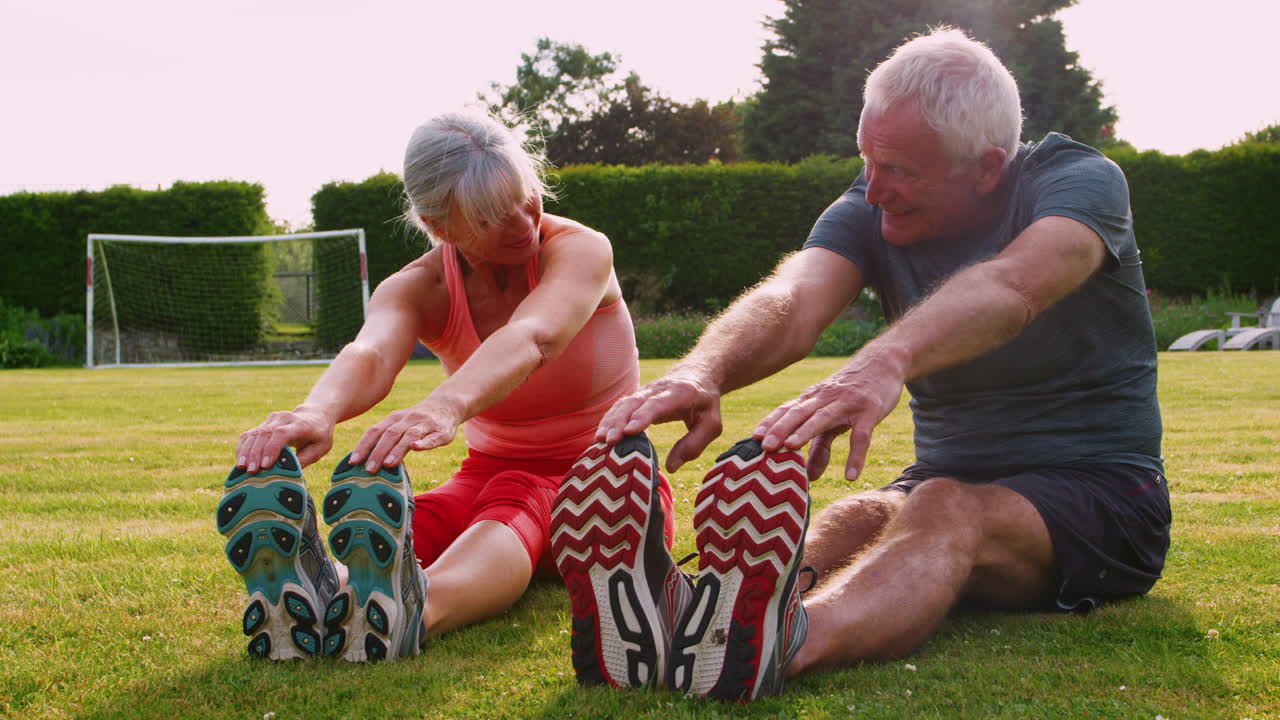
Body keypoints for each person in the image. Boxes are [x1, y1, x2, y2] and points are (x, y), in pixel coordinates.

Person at [554, 27, 1169, 701]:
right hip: (944, 477)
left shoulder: (1080, 184)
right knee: (859, 516)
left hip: (1106, 501)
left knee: (942, 506)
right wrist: (705, 370)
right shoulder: (874, 195)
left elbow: (1013, 286)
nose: (874, 190)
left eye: (901, 171)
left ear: (987, 167)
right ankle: (696, 616)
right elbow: (793, 296)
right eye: (867, 162)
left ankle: (779, 643)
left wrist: (885, 359)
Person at [216, 109, 674, 662]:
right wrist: (318, 411)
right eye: (490, 216)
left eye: (524, 196)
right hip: (486, 474)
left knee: (516, 502)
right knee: (428, 516)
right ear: (439, 227)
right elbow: (372, 350)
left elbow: (535, 334)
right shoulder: (418, 286)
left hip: (609, 488)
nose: (523, 222)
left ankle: (419, 610)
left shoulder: (581, 249)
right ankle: (323, 592)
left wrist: (445, 406)